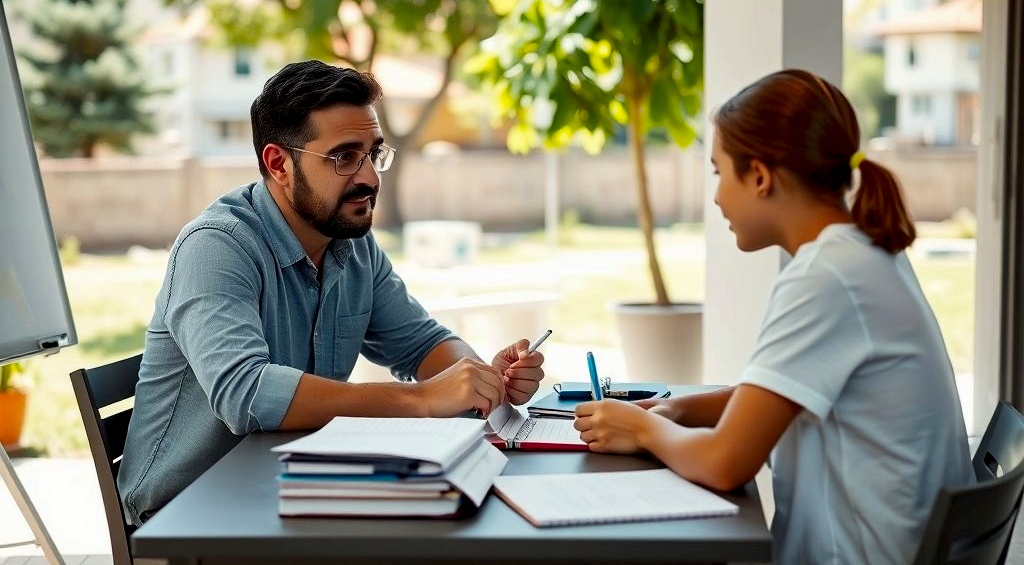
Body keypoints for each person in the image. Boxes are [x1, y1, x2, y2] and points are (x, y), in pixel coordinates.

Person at [118, 60, 545, 525]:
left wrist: (480, 380)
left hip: (296, 488)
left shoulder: (351, 246)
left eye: (373, 154)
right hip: (187, 514)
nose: (370, 178)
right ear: (279, 164)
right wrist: (422, 399)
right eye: (344, 157)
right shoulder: (216, 247)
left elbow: (422, 343)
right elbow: (247, 395)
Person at [574, 69, 972, 564]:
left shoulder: (827, 276)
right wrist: (676, 411)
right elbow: (772, 397)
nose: (716, 196)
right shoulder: (864, 252)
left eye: (719, 172)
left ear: (760, 176)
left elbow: (724, 463)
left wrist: (642, 429)